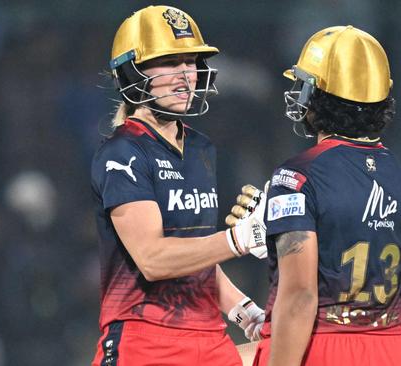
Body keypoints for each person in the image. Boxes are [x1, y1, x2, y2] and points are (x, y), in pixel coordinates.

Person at [90, 6, 268, 366]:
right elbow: (153, 259)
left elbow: (193, 253)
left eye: (190, 62)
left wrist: (243, 310)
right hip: (145, 341)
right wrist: (238, 239)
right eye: (170, 63)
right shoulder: (123, 151)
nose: (186, 76)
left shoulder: (201, 148)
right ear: (131, 73)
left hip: (211, 338)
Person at [253, 26, 401, 366]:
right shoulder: (394, 171)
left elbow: (299, 297)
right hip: (392, 347)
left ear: (319, 97)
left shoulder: (297, 174)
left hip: (323, 347)